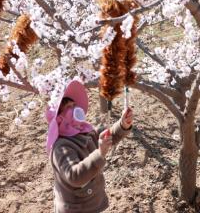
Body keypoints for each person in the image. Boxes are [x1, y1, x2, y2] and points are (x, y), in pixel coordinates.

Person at [45, 80, 134, 213]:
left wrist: (122, 125)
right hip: (76, 209)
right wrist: (100, 153)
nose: (75, 109)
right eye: (69, 108)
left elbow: (106, 136)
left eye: (74, 105)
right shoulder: (61, 147)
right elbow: (74, 176)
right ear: (60, 118)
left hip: (91, 202)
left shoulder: (83, 131)